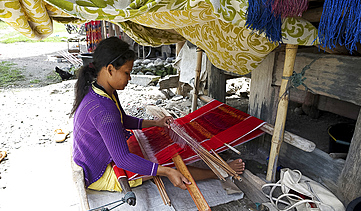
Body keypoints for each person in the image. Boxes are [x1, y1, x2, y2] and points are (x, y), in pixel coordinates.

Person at [71, 37, 245, 192]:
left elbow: (123, 120)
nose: (129, 78)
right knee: (168, 162)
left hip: (90, 157)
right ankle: (217, 172)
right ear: (110, 69)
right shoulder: (103, 109)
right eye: (126, 73)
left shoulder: (102, 91)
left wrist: (157, 123)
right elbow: (123, 159)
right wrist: (166, 171)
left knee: (153, 146)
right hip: (98, 172)